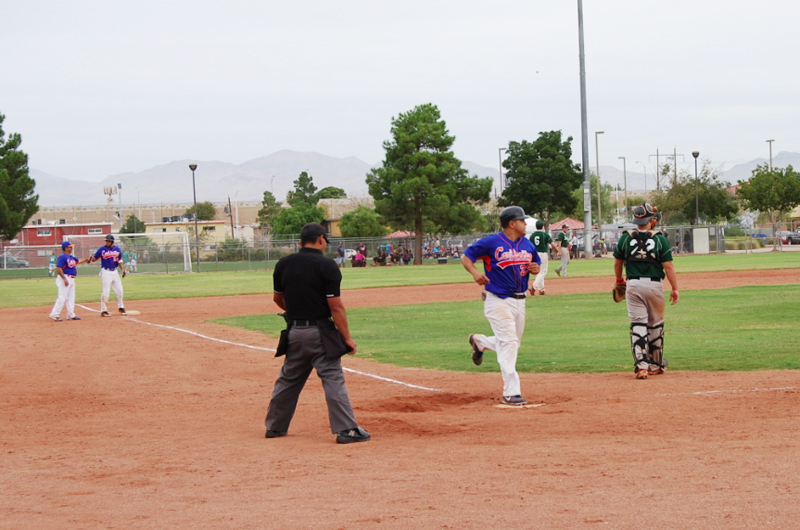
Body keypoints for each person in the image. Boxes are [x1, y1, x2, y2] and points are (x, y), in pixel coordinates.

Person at [264, 223, 370, 444]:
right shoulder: (326, 265)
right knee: (332, 377)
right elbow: (336, 306)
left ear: (301, 241)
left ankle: (274, 427)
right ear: (321, 239)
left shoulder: (284, 263)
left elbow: (277, 299)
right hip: (319, 332)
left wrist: (295, 312)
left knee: (288, 379)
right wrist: (347, 338)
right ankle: (347, 429)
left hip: (294, 332)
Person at [461, 206, 540, 406]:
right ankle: (511, 392)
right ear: (512, 223)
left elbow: (535, 264)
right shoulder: (491, 242)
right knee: (509, 343)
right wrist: (475, 273)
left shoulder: (527, 245)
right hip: (497, 299)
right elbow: (466, 256)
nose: (525, 223)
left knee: (512, 343)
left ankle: (480, 342)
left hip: (520, 300)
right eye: (522, 221)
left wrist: (535, 268)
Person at [613, 203, 680, 380]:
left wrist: (619, 280)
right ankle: (655, 365)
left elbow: (618, 262)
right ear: (652, 220)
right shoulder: (660, 239)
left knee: (638, 324)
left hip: (633, 285)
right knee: (655, 324)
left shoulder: (625, 238)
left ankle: (641, 366)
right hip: (655, 285)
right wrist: (675, 288)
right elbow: (669, 266)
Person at [49, 241, 91, 322]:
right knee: (62, 297)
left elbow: (78, 261)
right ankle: (54, 314)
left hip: (71, 279)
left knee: (71, 298)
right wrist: (64, 279)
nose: (71, 248)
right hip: (65, 278)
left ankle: (70, 314)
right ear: (65, 248)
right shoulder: (63, 257)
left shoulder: (70, 257)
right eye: (70, 247)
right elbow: (59, 268)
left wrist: (87, 259)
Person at [89, 234, 127, 317]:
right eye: (106, 241)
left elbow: (119, 260)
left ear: (112, 241)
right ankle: (104, 310)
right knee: (106, 293)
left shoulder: (117, 249)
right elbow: (94, 259)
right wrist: (91, 258)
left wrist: (122, 270)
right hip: (106, 272)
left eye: (108, 241)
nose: (107, 242)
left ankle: (121, 307)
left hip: (115, 271)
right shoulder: (102, 249)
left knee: (120, 290)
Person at [529, 220, 558, 295]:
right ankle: (534, 287)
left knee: (540, 271)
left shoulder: (532, 235)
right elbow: (553, 244)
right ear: (542, 227)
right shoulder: (545, 234)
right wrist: (557, 250)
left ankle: (542, 289)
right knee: (543, 271)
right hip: (542, 253)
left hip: (534, 254)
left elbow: (529, 246)